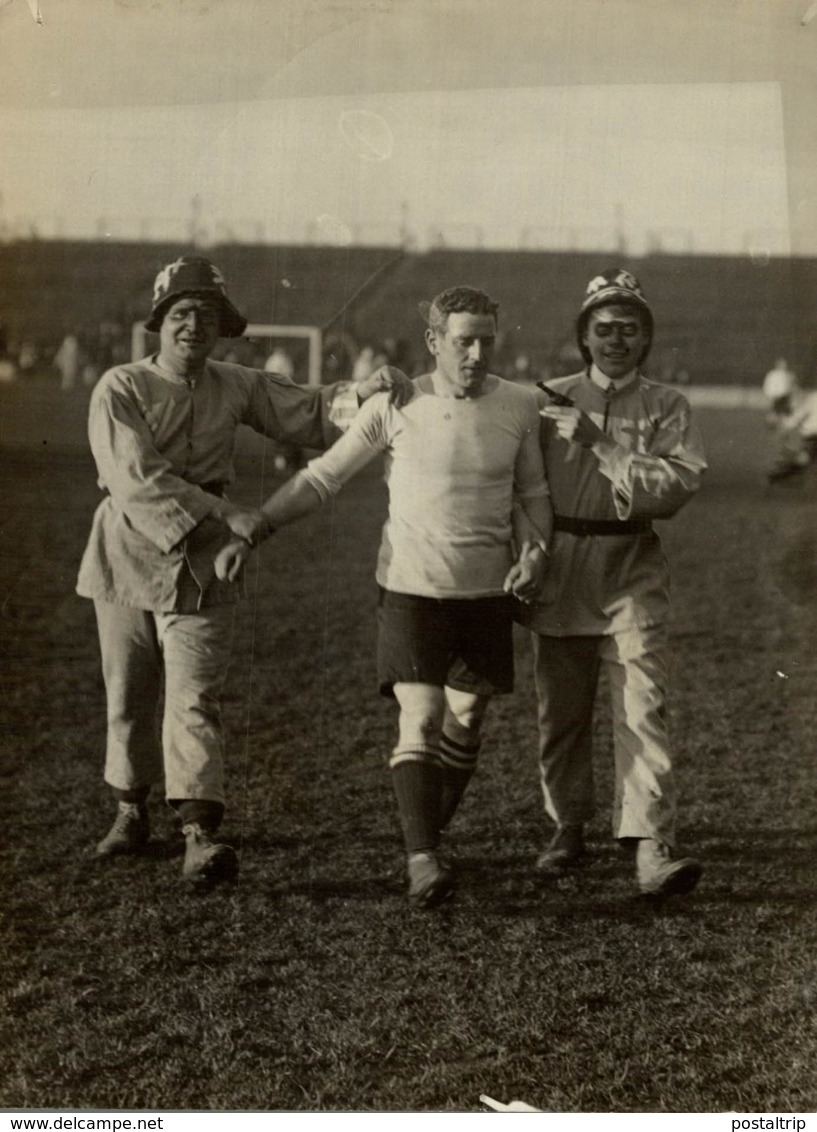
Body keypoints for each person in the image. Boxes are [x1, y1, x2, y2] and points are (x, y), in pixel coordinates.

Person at [76, 255, 412, 891]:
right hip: (126, 551)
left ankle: (199, 831)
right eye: (181, 314)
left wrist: (362, 392)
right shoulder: (120, 387)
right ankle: (129, 810)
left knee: (195, 694)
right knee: (128, 695)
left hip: (206, 560)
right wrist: (222, 509)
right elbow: (134, 477)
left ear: (221, 325)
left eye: (206, 316)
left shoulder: (235, 382)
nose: (193, 327)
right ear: (160, 322)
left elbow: (309, 412)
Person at [215, 286, 552, 908]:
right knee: (419, 715)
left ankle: (427, 831)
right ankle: (422, 859)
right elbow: (323, 476)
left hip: (483, 593)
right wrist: (258, 527)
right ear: (434, 342)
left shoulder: (521, 405)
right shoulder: (399, 403)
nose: (476, 353)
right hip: (411, 589)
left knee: (468, 717)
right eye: (462, 341)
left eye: (486, 341)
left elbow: (531, 496)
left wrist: (535, 552)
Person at [518, 269, 707, 899]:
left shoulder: (667, 406)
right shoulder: (547, 398)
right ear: (585, 336)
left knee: (642, 706)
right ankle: (567, 825)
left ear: (646, 339)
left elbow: (677, 487)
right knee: (562, 714)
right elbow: (516, 485)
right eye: (605, 329)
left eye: (630, 329)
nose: (617, 340)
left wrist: (605, 447)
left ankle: (651, 844)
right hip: (562, 567)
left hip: (632, 566)